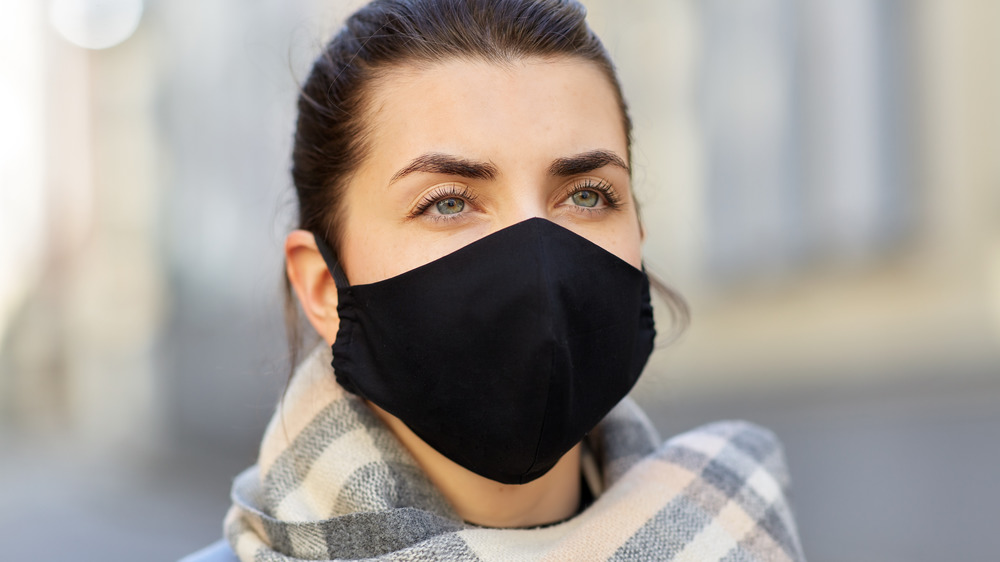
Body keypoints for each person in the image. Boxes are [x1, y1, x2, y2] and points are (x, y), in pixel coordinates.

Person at [183, 0, 804, 560]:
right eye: (449, 202)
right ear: (322, 287)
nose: (538, 258)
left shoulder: (738, 537)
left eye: (586, 195)